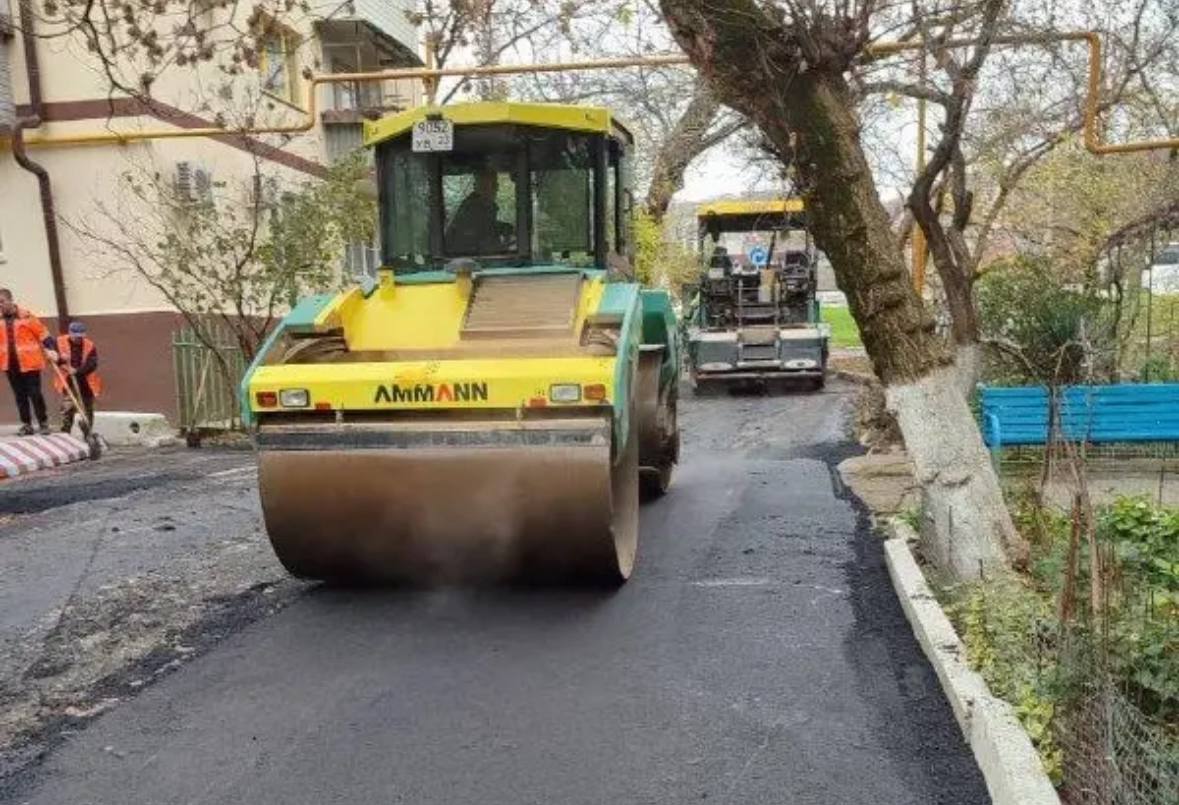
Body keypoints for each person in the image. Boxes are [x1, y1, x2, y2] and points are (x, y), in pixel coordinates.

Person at [0, 289, 58, 435]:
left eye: (2, 301)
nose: (0, 305)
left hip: (30, 364)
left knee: (35, 394)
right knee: (20, 395)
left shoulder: (26, 316)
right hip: (10, 364)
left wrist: (51, 349)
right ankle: (26, 424)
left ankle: (43, 423)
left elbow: (43, 334)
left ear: (10, 300)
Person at [445, 168, 510, 255]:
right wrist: (505, 247)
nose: (494, 190)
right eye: (485, 187)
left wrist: (502, 227)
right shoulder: (471, 209)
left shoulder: (483, 208)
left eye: (495, 185)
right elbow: (486, 244)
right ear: (476, 187)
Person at [54, 321, 102, 435]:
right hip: (68, 380)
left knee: (87, 407)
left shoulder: (89, 345)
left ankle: (88, 432)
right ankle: (65, 432)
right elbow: (53, 358)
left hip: (85, 380)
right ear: (70, 333)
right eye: (76, 337)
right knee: (68, 407)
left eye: (81, 337)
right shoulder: (59, 342)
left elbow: (92, 363)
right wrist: (61, 359)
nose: (79, 339)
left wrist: (77, 371)